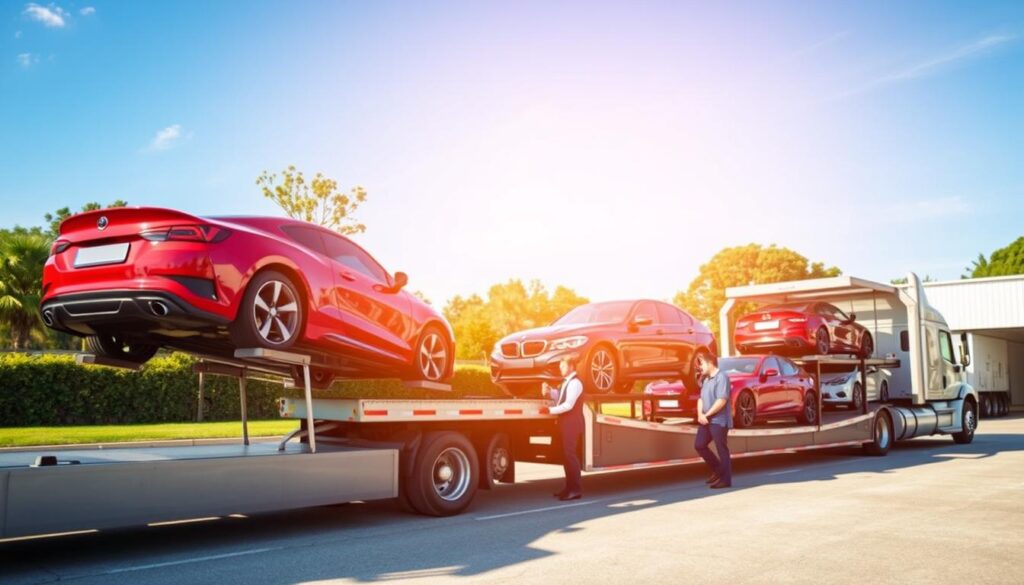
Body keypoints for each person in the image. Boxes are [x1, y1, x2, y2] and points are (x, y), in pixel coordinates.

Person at [547, 354, 585, 501]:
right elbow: (561, 398)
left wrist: (550, 410)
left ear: (571, 367)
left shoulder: (575, 383)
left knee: (570, 455)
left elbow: (568, 404)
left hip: (572, 424)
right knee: (566, 456)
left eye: (562, 366)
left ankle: (575, 490)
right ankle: (568, 488)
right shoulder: (567, 382)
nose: (560, 369)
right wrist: (550, 392)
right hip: (566, 423)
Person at [694, 353, 732, 489]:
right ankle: (718, 470)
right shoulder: (706, 379)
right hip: (706, 419)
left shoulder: (722, 377)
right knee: (699, 445)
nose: (700, 367)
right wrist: (700, 414)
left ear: (710, 363)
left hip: (719, 420)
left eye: (702, 363)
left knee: (721, 448)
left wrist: (707, 415)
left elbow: (722, 400)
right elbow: (701, 399)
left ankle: (726, 480)